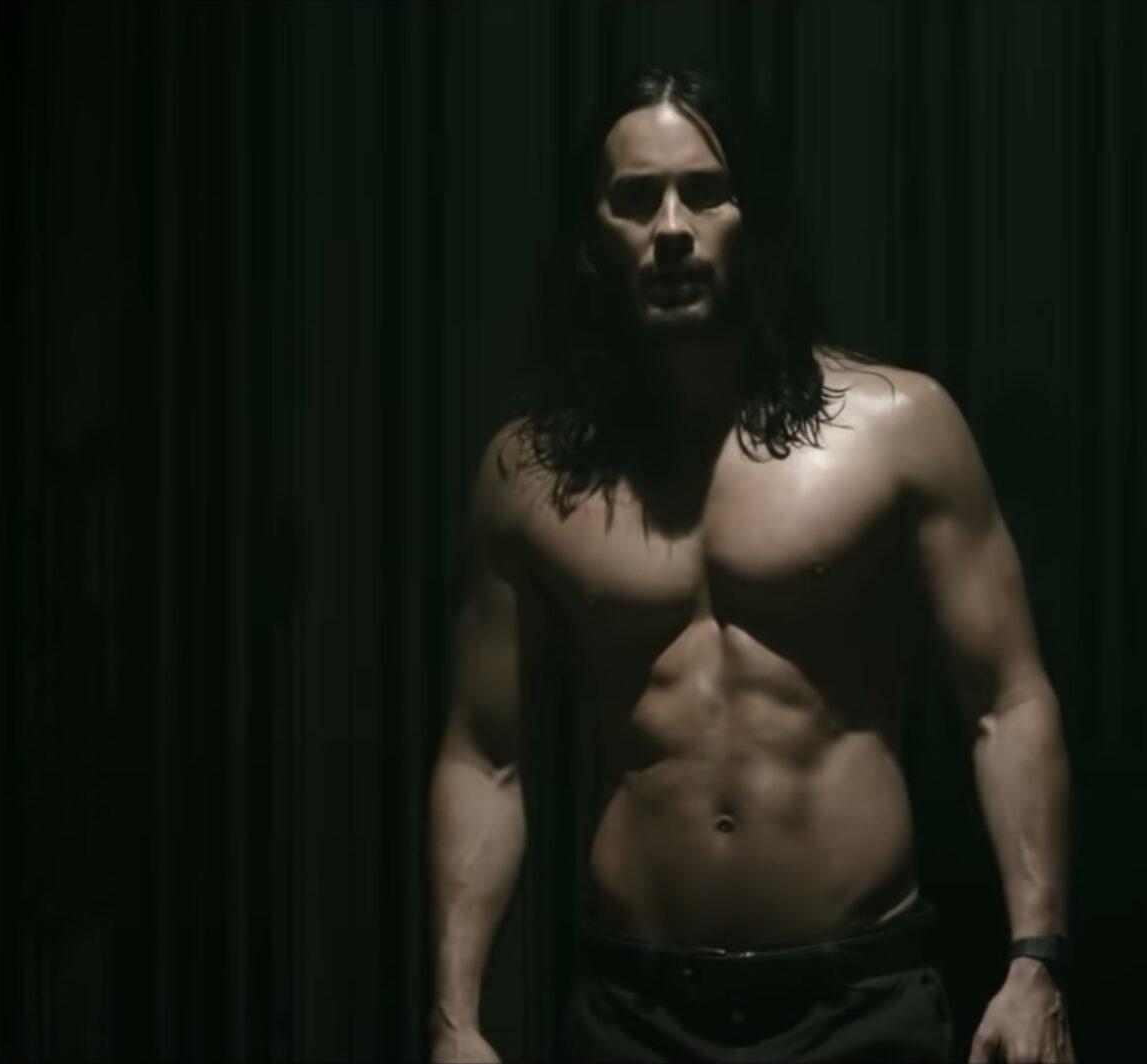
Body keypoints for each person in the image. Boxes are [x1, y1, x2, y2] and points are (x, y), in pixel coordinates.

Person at [428, 66, 1076, 1064]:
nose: (671, 227)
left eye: (705, 191)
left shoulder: (898, 430)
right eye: (635, 198)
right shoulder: (529, 475)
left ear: (756, 219)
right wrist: (455, 1018)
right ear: (592, 238)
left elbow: (1008, 699)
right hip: (636, 1011)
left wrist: (1035, 961)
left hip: (857, 1001)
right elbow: (483, 754)